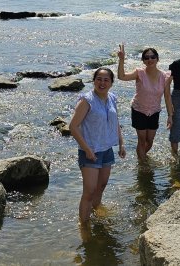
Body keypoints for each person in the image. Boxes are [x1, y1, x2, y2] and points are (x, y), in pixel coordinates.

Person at [69, 67, 126, 224]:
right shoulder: (86, 101)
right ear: (93, 81)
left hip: (107, 149)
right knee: (89, 191)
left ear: (111, 83)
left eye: (106, 80)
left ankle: (96, 214)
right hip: (90, 151)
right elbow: (73, 127)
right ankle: (84, 226)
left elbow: (115, 121)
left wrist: (121, 143)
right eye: (99, 79)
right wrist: (87, 149)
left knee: (101, 186)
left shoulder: (112, 98)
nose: (102, 83)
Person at [117, 44, 173, 161]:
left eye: (152, 57)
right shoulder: (139, 73)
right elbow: (121, 76)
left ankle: (141, 158)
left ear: (157, 59)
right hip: (139, 110)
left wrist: (170, 115)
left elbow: (167, 97)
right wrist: (121, 60)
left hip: (154, 111)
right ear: (143, 60)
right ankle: (142, 164)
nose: (150, 59)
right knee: (142, 140)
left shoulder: (165, 76)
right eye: (146, 58)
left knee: (150, 140)